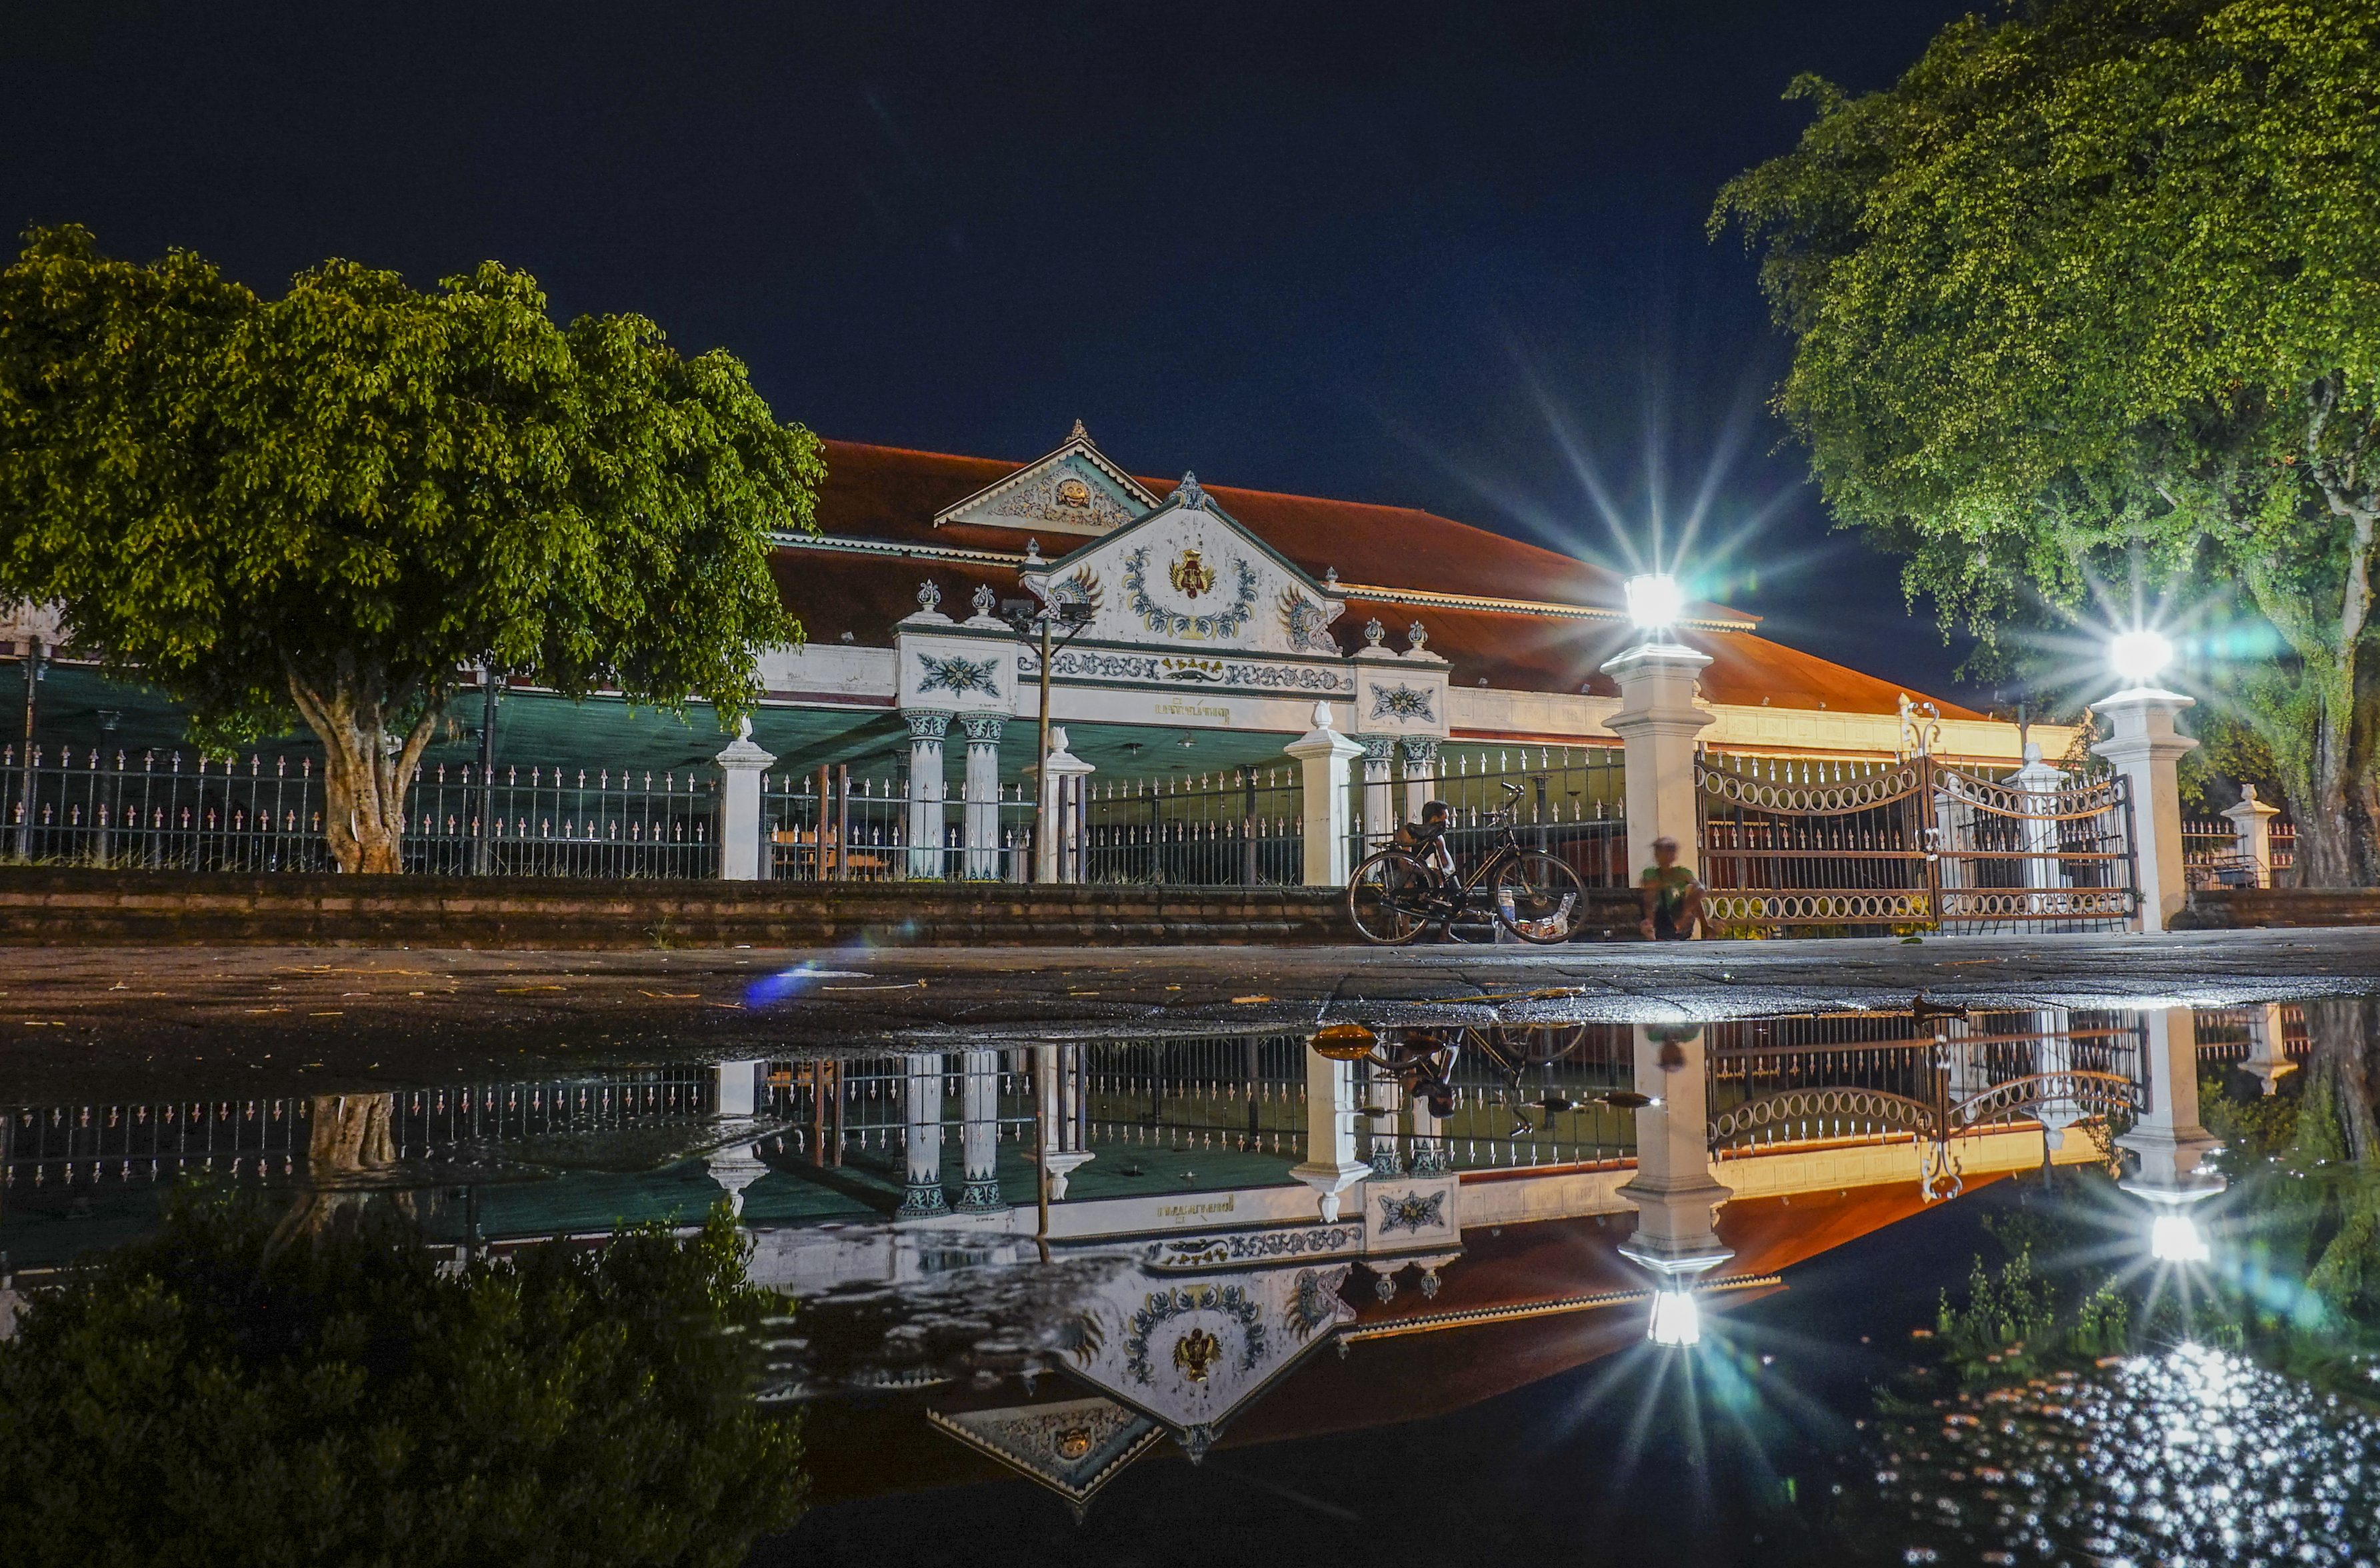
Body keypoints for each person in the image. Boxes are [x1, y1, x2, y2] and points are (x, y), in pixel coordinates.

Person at [1639, 835, 1702, 941]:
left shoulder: (1683, 872)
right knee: (1649, 895)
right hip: (1659, 913)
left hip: (1678, 913)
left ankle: (1684, 926)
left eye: (1669, 851)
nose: (1664, 855)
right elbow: (1648, 886)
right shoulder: (1650, 872)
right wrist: (1671, 881)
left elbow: (1700, 889)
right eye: (1660, 851)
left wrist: (1686, 912)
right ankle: (1651, 928)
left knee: (1694, 893)